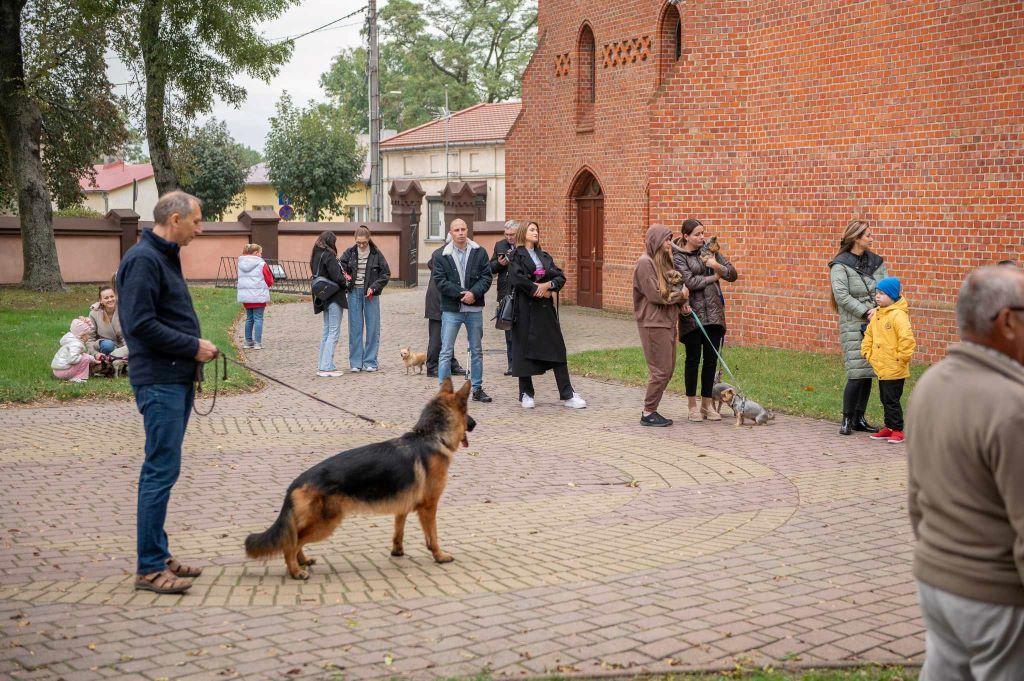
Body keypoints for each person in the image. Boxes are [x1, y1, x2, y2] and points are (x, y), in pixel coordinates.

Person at [907, 265, 1024, 679]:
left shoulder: (931, 384)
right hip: (996, 597)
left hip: (936, 582)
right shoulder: (1013, 405)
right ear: (1008, 321)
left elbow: (916, 500)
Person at [116, 191, 218, 595]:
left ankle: (157, 552)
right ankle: (149, 567)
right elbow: (138, 324)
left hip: (173, 377)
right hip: (159, 380)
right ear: (175, 219)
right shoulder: (143, 260)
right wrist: (191, 346)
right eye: (196, 220)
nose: (201, 227)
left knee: (165, 469)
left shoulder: (163, 256)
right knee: (159, 471)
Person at [507, 221, 586, 409]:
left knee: (557, 349)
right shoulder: (516, 255)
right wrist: (536, 289)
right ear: (523, 233)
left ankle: (567, 393)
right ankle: (526, 393)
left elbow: (559, 276)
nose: (536, 232)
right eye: (532, 229)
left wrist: (548, 286)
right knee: (523, 350)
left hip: (545, 311)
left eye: (537, 230)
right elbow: (517, 278)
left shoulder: (544, 256)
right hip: (525, 310)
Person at [672, 218, 738, 422]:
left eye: (703, 233)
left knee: (710, 361)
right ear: (686, 236)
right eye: (697, 234)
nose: (702, 237)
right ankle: (692, 406)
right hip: (692, 315)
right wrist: (713, 277)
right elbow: (689, 282)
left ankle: (706, 405)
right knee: (693, 360)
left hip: (715, 315)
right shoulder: (679, 256)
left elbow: (733, 274)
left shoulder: (711, 251)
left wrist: (715, 264)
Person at [828, 219, 888, 436]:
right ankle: (847, 418)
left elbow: (883, 288)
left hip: (876, 320)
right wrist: (866, 311)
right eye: (868, 235)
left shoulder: (876, 262)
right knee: (856, 372)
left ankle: (859, 418)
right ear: (856, 238)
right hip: (854, 323)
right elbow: (842, 296)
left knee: (868, 372)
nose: (871, 238)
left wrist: (877, 309)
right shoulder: (840, 264)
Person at [432, 218, 493, 402]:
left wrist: (474, 293)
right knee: (446, 351)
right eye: (456, 230)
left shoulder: (479, 252)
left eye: (463, 229)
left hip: (474, 310)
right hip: (452, 309)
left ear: (468, 230)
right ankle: (444, 392)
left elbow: (486, 277)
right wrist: (461, 294)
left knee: (476, 349)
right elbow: (440, 281)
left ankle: (477, 389)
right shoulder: (441, 255)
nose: (460, 232)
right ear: (450, 233)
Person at [634, 225, 689, 426]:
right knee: (660, 370)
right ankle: (648, 413)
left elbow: (671, 289)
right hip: (652, 323)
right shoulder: (644, 263)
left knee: (668, 368)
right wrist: (680, 296)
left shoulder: (663, 262)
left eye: (670, 239)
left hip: (667, 321)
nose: (669, 243)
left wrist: (682, 303)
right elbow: (655, 295)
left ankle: (651, 410)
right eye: (666, 239)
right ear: (656, 240)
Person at [860, 277, 915, 444]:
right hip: (882, 366)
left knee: (892, 400)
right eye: (877, 293)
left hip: (894, 366)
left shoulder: (898, 315)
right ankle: (889, 427)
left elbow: (907, 339)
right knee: (885, 398)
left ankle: (898, 429)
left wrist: (901, 358)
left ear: (891, 296)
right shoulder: (878, 314)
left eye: (882, 293)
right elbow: (869, 334)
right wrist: (867, 352)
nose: (877, 296)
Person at [340, 226, 390, 372]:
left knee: (373, 327)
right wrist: (347, 280)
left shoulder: (376, 254)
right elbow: (341, 269)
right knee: (355, 328)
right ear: (355, 240)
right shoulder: (350, 253)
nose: (361, 245)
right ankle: (355, 362)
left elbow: (385, 274)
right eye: (358, 243)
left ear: (369, 240)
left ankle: (370, 361)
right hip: (354, 293)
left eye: (364, 243)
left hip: (371, 295)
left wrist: (374, 287)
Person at [310, 231, 350, 378]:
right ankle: (327, 366)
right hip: (334, 296)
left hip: (323, 296)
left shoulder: (316, 254)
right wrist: (347, 282)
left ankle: (323, 364)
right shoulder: (329, 255)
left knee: (327, 331)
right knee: (333, 332)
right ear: (330, 241)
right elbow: (337, 277)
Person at [424, 240, 467, 378]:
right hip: (437, 300)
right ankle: (432, 366)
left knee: (449, 333)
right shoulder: (441, 255)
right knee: (437, 335)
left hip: (447, 299)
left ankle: (450, 363)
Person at [490, 220, 519, 375]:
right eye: (507, 235)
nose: (509, 238)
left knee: (522, 330)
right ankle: (511, 365)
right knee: (508, 329)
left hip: (521, 292)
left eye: (512, 235)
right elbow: (490, 268)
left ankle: (525, 363)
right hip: (505, 293)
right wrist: (499, 264)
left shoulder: (524, 245)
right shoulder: (500, 245)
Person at [236, 243, 274, 350]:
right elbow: (269, 280)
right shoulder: (262, 264)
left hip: (246, 296)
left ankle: (248, 341)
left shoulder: (241, 263)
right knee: (258, 319)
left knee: (249, 318)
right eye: (260, 253)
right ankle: (257, 343)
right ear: (256, 253)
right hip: (258, 295)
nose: (261, 255)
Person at [51, 317, 101, 383]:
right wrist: (85, 357)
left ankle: (75, 376)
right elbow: (72, 359)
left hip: (57, 370)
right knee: (85, 359)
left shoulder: (71, 340)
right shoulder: (76, 344)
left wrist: (93, 359)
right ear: (82, 335)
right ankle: (78, 377)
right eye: (88, 335)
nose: (89, 337)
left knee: (85, 357)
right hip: (63, 371)